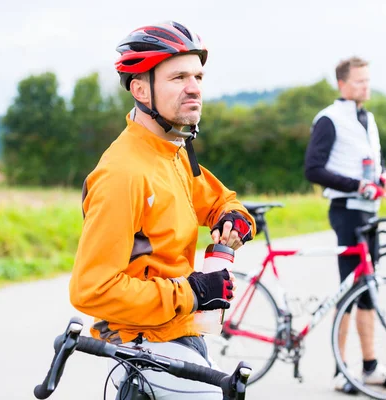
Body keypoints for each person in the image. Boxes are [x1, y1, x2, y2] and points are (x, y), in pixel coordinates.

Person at [69, 21, 255, 399]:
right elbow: (91, 289)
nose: (194, 88)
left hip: (178, 334)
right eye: (178, 77)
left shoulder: (172, 149)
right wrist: (192, 292)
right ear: (141, 89)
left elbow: (217, 199)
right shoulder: (123, 173)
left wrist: (232, 216)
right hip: (143, 346)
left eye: (198, 76)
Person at [304, 56, 386, 394]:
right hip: (347, 210)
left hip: (369, 211)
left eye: (368, 80)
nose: (366, 86)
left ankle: (370, 367)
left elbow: (371, 158)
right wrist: (357, 185)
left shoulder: (368, 117)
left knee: (368, 288)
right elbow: (313, 169)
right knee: (349, 290)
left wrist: (384, 176)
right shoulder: (329, 119)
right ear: (342, 84)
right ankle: (341, 371)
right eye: (359, 81)